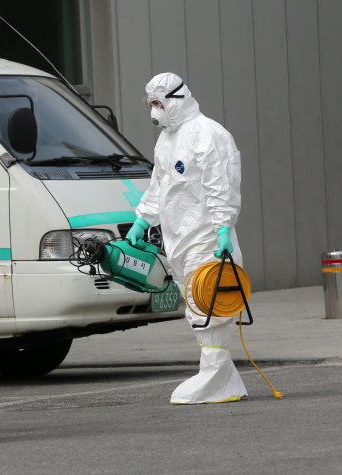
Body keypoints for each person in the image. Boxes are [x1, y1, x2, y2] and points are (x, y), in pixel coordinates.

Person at [129, 72, 247, 404]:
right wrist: (142, 220)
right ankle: (223, 375)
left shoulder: (208, 134)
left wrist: (223, 229)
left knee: (208, 302)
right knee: (195, 302)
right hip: (179, 235)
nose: (155, 111)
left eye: (158, 103)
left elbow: (220, 186)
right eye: (151, 104)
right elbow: (159, 185)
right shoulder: (167, 138)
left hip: (206, 235)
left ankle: (215, 375)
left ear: (176, 99)